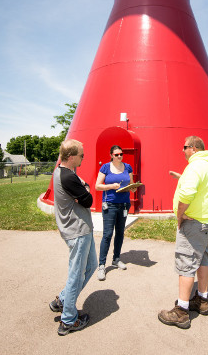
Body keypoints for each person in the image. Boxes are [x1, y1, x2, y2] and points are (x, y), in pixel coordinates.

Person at [158, 136, 208, 329]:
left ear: (193, 148)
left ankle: (181, 311)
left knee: (186, 262)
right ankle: (202, 300)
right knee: (202, 259)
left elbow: (187, 194)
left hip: (193, 224)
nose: (182, 151)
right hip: (207, 222)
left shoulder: (194, 166)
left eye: (184, 147)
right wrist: (182, 177)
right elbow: (200, 185)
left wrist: (179, 215)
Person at [50, 139, 97, 336]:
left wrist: (82, 187)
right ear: (71, 157)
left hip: (80, 230)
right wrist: (84, 188)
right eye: (81, 155)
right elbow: (88, 200)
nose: (83, 158)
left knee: (91, 266)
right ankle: (68, 320)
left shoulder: (63, 172)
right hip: (77, 231)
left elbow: (82, 195)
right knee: (76, 274)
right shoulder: (69, 177)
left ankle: (62, 300)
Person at [95, 145, 136, 281]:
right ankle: (101, 265)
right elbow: (97, 186)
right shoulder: (106, 167)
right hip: (110, 204)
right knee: (107, 234)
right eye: (117, 154)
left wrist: (133, 188)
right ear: (111, 155)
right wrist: (111, 186)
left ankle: (116, 259)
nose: (119, 156)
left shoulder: (128, 167)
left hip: (124, 204)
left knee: (120, 232)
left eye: (121, 154)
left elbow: (130, 183)